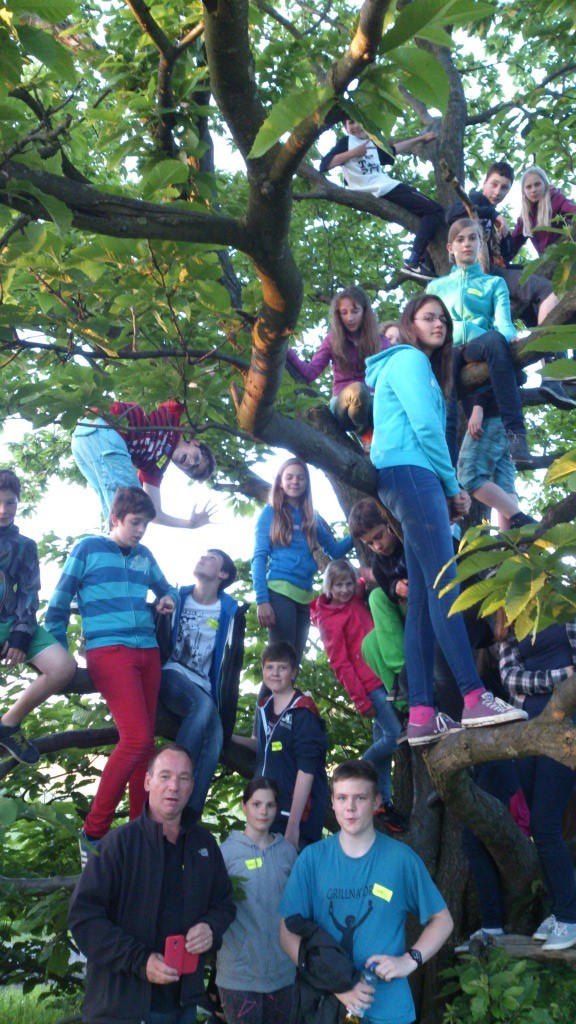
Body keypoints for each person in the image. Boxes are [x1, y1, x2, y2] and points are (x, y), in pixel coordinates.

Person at [364, 293, 528, 745]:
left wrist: (443, 489)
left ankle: (421, 713)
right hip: (412, 473)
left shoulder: (417, 368)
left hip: (412, 477)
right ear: (410, 322)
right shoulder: (409, 360)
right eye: (428, 317)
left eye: (443, 319)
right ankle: (474, 696)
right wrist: (452, 485)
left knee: (421, 599)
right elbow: (426, 428)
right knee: (445, 584)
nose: (439, 324)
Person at [45, 486, 178, 860]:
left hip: (148, 652)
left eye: (145, 524)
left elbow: (167, 589)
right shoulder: (88, 549)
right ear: (115, 519)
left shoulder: (144, 556)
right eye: (135, 522)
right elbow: (58, 601)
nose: (140, 530)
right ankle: (93, 832)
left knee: (146, 745)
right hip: (109, 652)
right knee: (136, 739)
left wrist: (166, 599)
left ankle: (142, 831)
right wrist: (58, 651)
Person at [69, 743, 236, 1024]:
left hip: (183, 1006)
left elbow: (224, 904)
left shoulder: (204, 846)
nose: (174, 786)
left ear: (192, 786)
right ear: (147, 781)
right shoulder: (118, 845)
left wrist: (210, 927)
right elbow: (83, 918)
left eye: (183, 778)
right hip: (123, 1009)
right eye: (165, 776)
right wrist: (140, 960)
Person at [278, 760, 454, 1024]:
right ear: (333, 802)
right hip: (327, 1005)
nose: (350, 807)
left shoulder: (400, 859)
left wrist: (409, 960)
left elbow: (443, 920)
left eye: (360, 798)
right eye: (342, 798)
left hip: (389, 1010)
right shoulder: (312, 860)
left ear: (376, 802)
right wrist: (338, 985)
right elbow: (286, 930)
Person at [427, 217, 533, 467]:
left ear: (480, 244)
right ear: (450, 248)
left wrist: (510, 337)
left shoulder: (494, 283)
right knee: (447, 405)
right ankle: (447, 471)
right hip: (448, 348)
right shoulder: (435, 287)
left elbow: (503, 321)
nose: (467, 244)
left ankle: (516, 436)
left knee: (495, 339)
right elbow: (428, 325)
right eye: (460, 240)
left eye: (472, 238)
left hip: (479, 345)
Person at [311, 559, 406, 832]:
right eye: (338, 585)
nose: (344, 590)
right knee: (395, 737)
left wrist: (368, 574)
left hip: (384, 674)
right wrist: (360, 699)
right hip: (368, 686)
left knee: (383, 744)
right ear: (328, 587)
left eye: (348, 584)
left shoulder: (356, 597)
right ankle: (360, 767)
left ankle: (382, 804)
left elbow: (366, 581)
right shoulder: (328, 619)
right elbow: (340, 663)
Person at [499, 618, 576, 951]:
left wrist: (540, 682)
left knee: (546, 824)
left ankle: (570, 917)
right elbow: (510, 678)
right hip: (526, 731)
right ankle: (561, 913)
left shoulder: (565, 607)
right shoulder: (511, 621)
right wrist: (559, 676)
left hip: (566, 728)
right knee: (540, 828)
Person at [159, 549, 246, 821]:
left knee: (216, 736)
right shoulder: (177, 597)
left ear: (223, 574)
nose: (202, 558)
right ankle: (173, 779)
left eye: (211, 558)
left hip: (203, 686)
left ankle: (187, 817)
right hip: (171, 673)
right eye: (203, 555)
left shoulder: (230, 613)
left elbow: (232, 669)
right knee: (202, 706)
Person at [0, 469, 76, 765]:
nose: (3, 510)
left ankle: (8, 725)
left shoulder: (25, 546)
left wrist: (21, 633)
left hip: (11, 622)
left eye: (10, 502)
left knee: (63, 666)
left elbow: (29, 592)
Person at [252, 458, 352, 662]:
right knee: (282, 661)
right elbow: (259, 558)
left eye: (300, 477)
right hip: (280, 591)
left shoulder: (311, 516)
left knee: (293, 664)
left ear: (307, 483)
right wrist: (262, 600)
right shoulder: (270, 513)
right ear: (280, 482)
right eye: (289, 477)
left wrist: (358, 531)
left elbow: (334, 550)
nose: (295, 482)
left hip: (304, 596)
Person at [319, 117, 443, 281]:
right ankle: (413, 260)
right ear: (345, 128)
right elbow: (324, 165)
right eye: (350, 123)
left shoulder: (371, 144)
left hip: (384, 187)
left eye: (358, 121)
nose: (356, 125)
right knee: (435, 210)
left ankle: (425, 264)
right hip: (382, 188)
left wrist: (421, 138)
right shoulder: (348, 142)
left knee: (424, 217)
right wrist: (353, 153)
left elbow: (392, 150)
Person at [216, 777, 297, 1024]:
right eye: (256, 804)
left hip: (283, 974)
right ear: (244, 806)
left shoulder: (287, 852)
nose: (263, 811)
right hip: (238, 976)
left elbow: (298, 909)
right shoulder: (226, 853)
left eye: (270, 805)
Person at [445, 161, 563, 331]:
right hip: (479, 273)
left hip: (493, 271)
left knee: (531, 302)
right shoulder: (477, 199)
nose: (497, 191)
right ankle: (544, 338)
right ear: (484, 183)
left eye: (504, 188)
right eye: (494, 184)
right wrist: (494, 214)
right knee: (546, 289)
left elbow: (505, 255)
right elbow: (450, 215)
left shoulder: (493, 222)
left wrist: (505, 238)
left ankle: (545, 344)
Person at [71, 397, 217, 528]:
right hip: (103, 423)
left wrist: (190, 524)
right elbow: (192, 389)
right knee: (132, 504)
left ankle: (113, 544)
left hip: (81, 443)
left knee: (114, 504)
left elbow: (154, 513)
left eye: (192, 470)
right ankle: (122, 544)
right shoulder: (176, 418)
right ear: (195, 443)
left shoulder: (156, 468)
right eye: (197, 459)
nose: (191, 463)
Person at [286, 287, 389, 438]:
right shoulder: (332, 340)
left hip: (374, 403)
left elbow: (392, 376)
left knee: (385, 403)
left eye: (355, 311)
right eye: (344, 313)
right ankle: (365, 433)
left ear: (364, 312)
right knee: (357, 391)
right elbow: (310, 373)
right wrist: (287, 350)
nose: (350, 318)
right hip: (344, 405)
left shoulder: (381, 342)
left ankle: (376, 441)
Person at [254, 640, 328, 850]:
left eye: (282, 668)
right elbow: (262, 745)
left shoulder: (304, 711)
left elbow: (307, 770)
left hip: (296, 819)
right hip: (267, 811)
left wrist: (293, 826)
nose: (275, 673)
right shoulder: (264, 706)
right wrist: (227, 737)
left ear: (293, 672)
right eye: (269, 667)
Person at [457, 389, 537, 530]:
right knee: (504, 485)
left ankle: (523, 520)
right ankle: (510, 540)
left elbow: (489, 377)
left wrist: (478, 407)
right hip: (506, 421)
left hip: (489, 416)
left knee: (470, 475)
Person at [510, 166, 576, 258]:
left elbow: (571, 210)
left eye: (537, 185)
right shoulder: (525, 216)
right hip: (544, 259)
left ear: (545, 184)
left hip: (565, 253)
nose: (533, 190)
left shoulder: (557, 200)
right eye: (528, 187)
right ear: (524, 191)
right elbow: (512, 244)